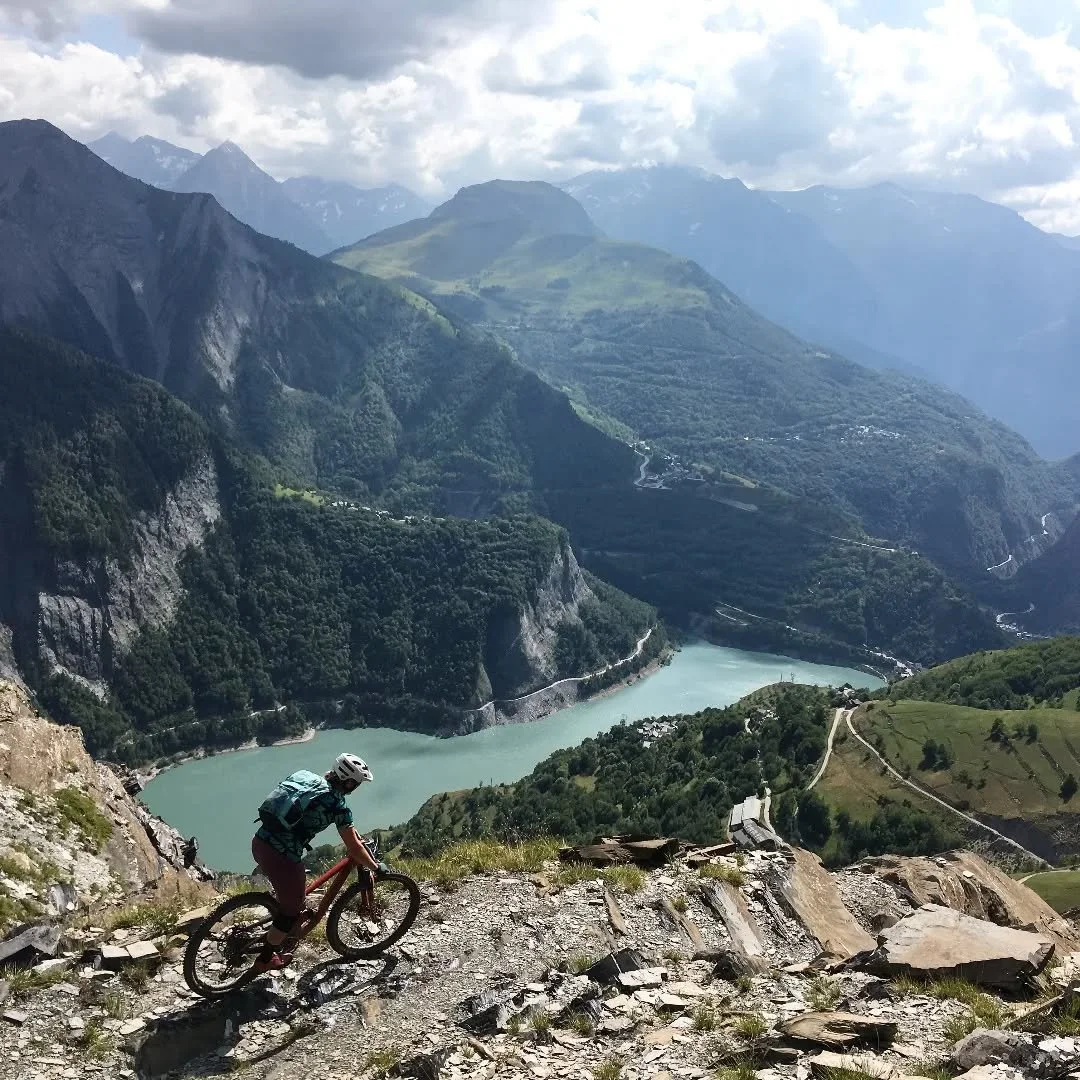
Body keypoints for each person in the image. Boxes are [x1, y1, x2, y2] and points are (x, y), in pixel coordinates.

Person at [251, 752, 384, 972]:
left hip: (260, 842)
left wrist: (357, 838)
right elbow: (353, 847)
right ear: (349, 782)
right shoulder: (338, 806)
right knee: (290, 911)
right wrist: (375, 867)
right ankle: (265, 960)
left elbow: (351, 833)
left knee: (294, 895)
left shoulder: (306, 778)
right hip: (281, 855)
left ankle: (285, 925)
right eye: (356, 783)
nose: (356, 787)